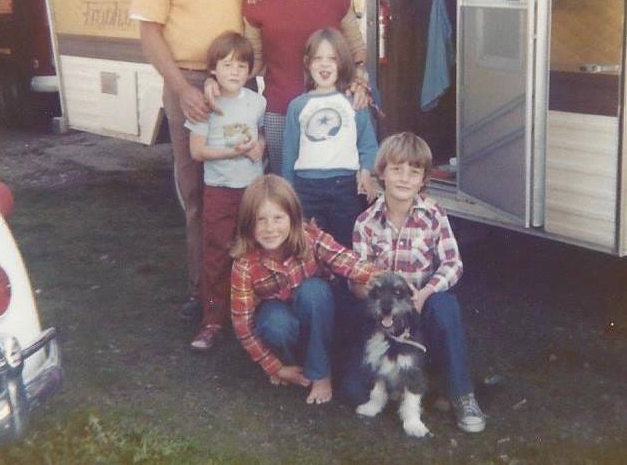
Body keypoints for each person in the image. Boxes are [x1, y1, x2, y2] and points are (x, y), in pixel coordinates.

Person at [130, 0, 271, 322]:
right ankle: (202, 291)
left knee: (248, 185)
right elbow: (149, 29)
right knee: (198, 194)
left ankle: (253, 283)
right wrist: (183, 88)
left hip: (238, 77)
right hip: (186, 77)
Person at [340, 132, 487, 433]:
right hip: (381, 316)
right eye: (396, 169)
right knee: (353, 392)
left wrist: (426, 292)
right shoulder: (365, 223)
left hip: (421, 308)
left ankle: (463, 394)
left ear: (423, 179)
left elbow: (452, 263)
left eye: (414, 171)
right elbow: (357, 279)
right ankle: (395, 380)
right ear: (381, 173)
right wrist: (362, 286)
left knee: (445, 304)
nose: (404, 178)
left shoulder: (434, 215)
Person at [238, 0, 369, 175]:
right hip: (280, 112)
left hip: (333, 107)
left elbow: (356, 51)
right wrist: (217, 82)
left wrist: (360, 80)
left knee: (332, 180)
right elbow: (253, 64)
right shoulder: (256, 1)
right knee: (286, 185)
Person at [230, 174, 377, 405]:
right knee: (274, 323)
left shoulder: (309, 237)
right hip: (280, 324)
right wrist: (276, 368)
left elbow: (346, 260)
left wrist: (385, 276)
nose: (270, 228)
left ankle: (320, 373)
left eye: (278, 218)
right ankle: (291, 366)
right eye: (261, 220)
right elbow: (243, 327)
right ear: (248, 223)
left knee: (315, 291)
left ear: (293, 218)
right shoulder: (244, 264)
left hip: (315, 316)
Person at [185, 32, 266, 351]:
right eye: (227, 64)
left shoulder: (257, 102)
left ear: (250, 71)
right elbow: (196, 151)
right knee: (218, 254)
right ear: (213, 70)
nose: (234, 71)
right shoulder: (207, 104)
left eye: (241, 65)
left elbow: (259, 135)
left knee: (255, 251)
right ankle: (213, 321)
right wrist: (233, 152)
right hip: (219, 190)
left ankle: (252, 316)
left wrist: (258, 147)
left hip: (251, 190)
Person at [281, 29, 378, 248]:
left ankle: (343, 284)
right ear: (307, 63)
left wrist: (366, 172)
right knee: (308, 248)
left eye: (332, 59)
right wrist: (288, 194)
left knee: (345, 247)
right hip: (306, 188)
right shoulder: (297, 106)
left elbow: (367, 143)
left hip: (345, 187)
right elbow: (289, 154)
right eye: (318, 58)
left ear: (342, 63)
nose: (325, 65)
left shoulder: (354, 101)